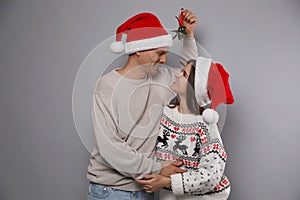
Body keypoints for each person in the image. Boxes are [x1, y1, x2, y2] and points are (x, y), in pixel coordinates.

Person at [87, 9, 199, 200]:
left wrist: (188, 36)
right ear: (138, 49)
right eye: (160, 53)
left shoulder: (163, 77)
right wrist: (158, 168)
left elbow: (189, 77)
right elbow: (110, 147)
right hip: (111, 192)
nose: (164, 59)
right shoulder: (107, 85)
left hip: (147, 189)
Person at [136, 56, 234, 200]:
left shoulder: (206, 125)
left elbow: (211, 175)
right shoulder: (164, 113)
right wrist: (158, 169)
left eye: (184, 74)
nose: (177, 74)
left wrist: (168, 182)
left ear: (195, 87)